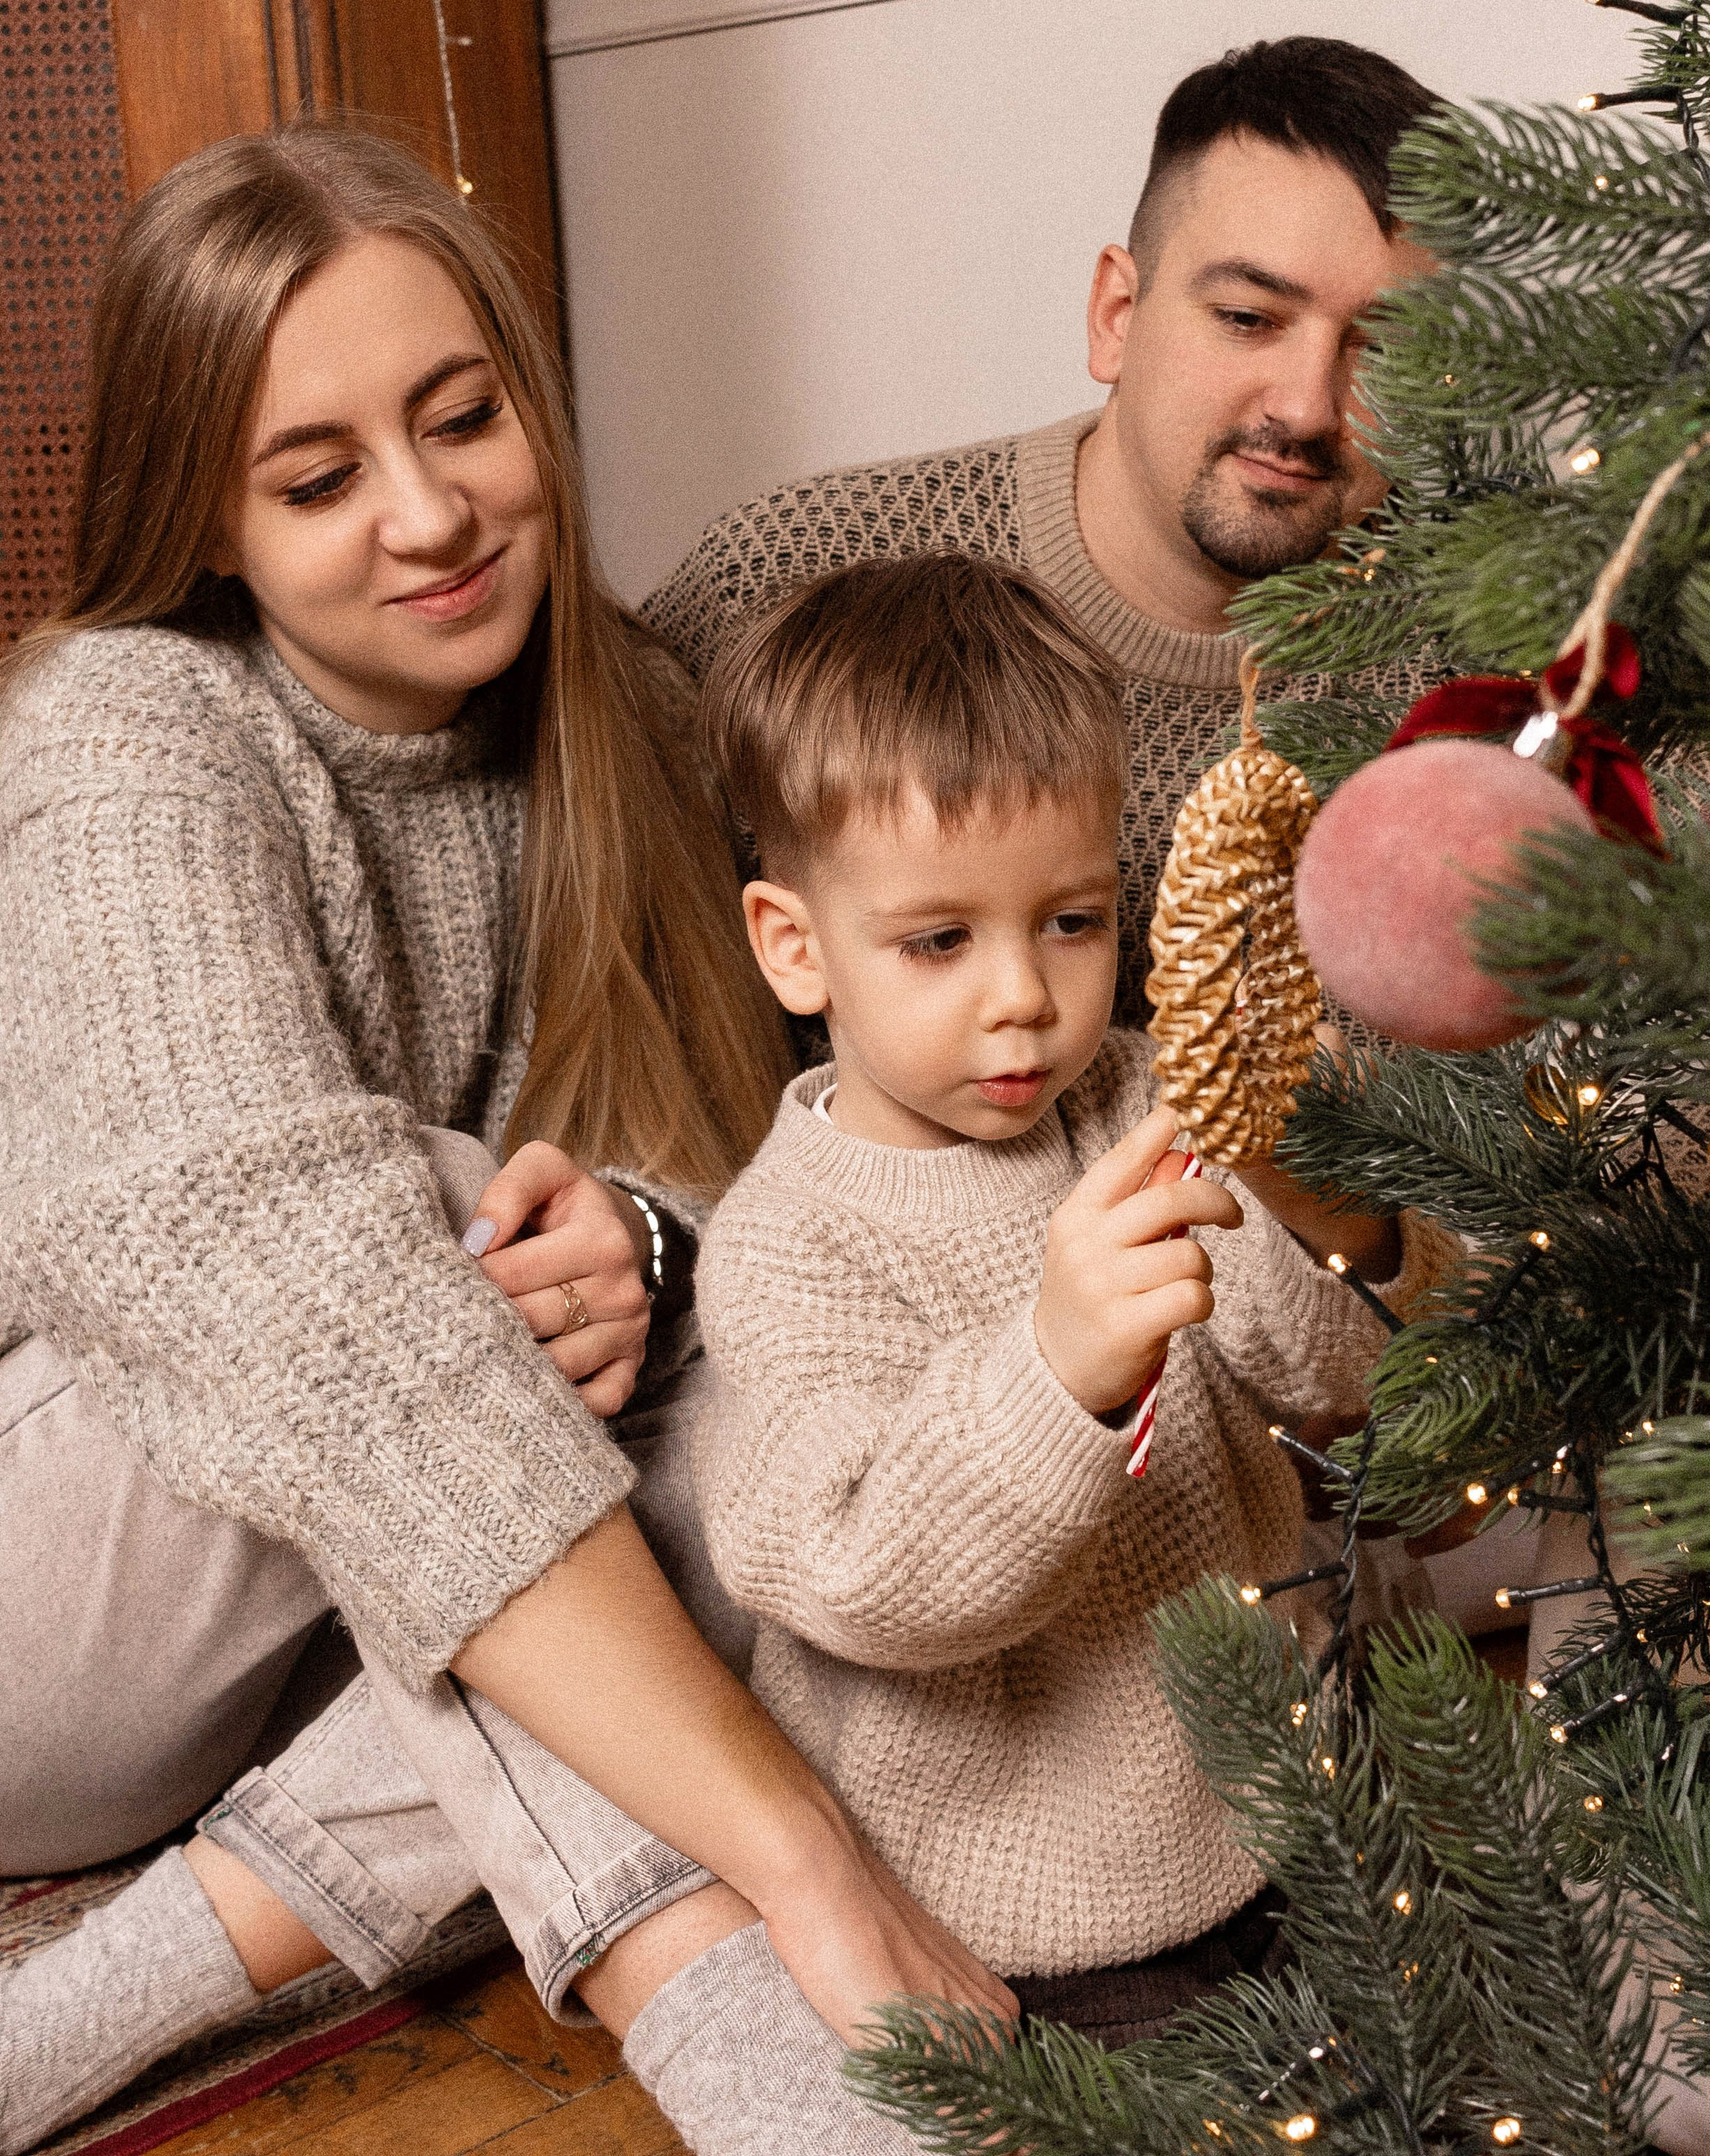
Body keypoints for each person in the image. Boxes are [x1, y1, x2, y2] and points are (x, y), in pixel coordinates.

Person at [0, 124, 1010, 2156]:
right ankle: (757, 2046)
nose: (432, 512)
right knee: (433, 1240)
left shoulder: (625, 710)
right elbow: (310, 1315)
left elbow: (798, 1170)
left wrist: (650, 1240)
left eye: (463, 420)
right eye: (320, 476)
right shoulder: (130, 730)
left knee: (758, 1442)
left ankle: (106, 2004)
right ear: (207, 517)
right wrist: (802, 1848)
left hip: (298, 1657)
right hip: (51, 1595)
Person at [688, 554, 1449, 2047]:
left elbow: (1347, 1388)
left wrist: (1312, 1212)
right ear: (796, 946)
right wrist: (1057, 1376)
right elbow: (860, 1583)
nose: (1022, 997)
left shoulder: (1142, 1105)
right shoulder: (787, 1244)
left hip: (1292, 1808)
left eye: (1070, 922)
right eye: (936, 941)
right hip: (1035, 1927)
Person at [645, 35, 1443, 1018]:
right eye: (1248, 318)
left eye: (1385, 350)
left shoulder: (1510, 663)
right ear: (1116, 313)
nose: (1311, 406)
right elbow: (603, 978)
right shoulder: (785, 576)